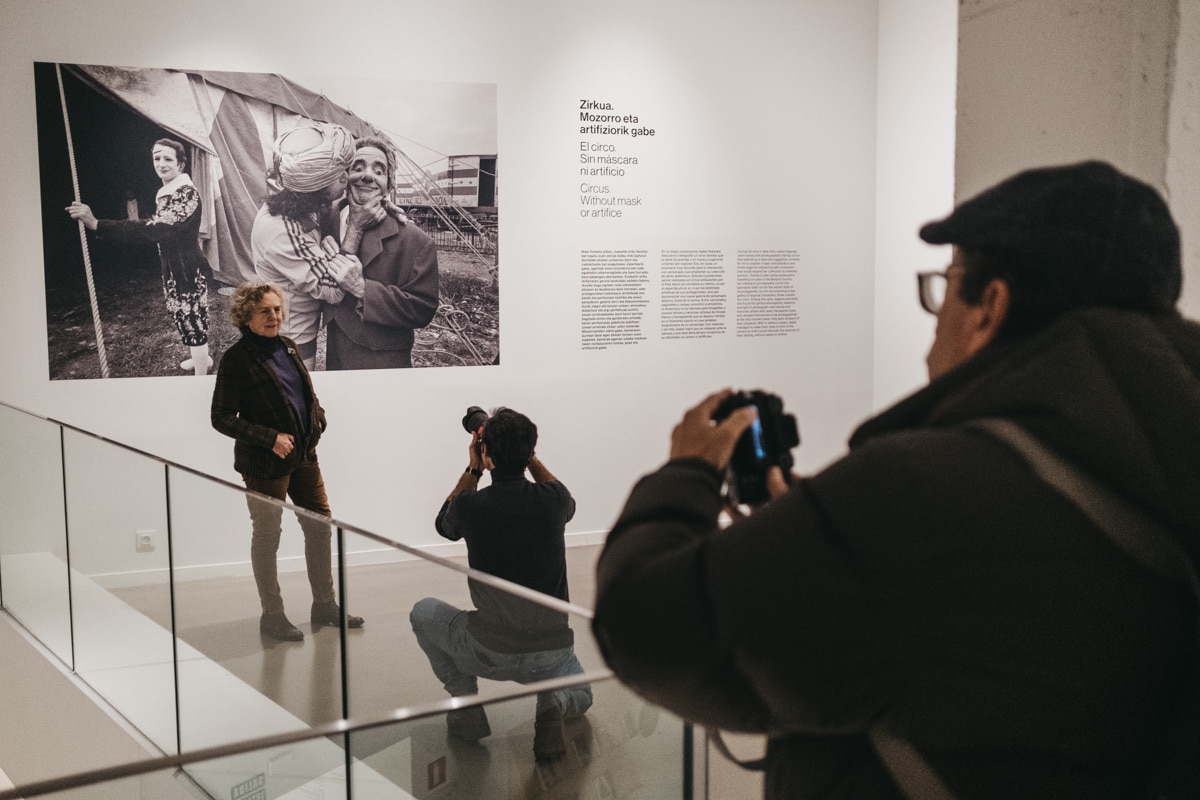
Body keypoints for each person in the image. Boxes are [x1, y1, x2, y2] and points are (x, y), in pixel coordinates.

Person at [592, 161, 1200, 799]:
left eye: (945, 286)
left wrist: (685, 475)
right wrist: (816, 529)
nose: (933, 323)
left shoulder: (921, 495)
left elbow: (645, 623)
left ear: (989, 308)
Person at [410, 408, 592, 760]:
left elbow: (442, 525)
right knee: (582, 696)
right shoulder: (554, 501)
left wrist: (474, 468)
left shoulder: (470, 506)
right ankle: (553, 701)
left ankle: (466, 707)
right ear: (529, 453)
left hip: (489, 650)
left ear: (487, 454)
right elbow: (563, 495)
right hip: (549, 652)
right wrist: (528, 457)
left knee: (424, 612)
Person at [211, 281, 364, 642]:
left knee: (320, 527)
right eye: (265, 311)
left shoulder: (289, 347)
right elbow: (221, 417)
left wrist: (318, 415)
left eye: (277, 309)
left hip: (304, 457)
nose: (274, 316)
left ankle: (324, 605)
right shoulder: (236, 360)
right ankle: (273, 614)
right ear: (245, 315)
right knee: (268, 536)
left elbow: (304, 392)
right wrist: (270, 439)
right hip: (265, 465)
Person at [66, 138, 212, 375]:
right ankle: (200, 359)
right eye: (157, 158)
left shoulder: (186, 193)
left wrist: (98, 225)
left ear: (181, 164)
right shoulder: (166, 191)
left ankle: (201, 374)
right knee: (180, 313)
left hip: (188, 268)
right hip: (173, 266)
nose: (161, 164)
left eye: (168, 159)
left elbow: (154, 229)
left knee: (192, 317)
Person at [251, 123, 364, 369]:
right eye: (338, 176)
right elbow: (334, 289)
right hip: (291, 340)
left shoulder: (296, 204)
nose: (347, 178)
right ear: (313, 187)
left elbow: (326, 209)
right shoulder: (283, 230)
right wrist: (355, 228)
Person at [324, 136, 440, 369]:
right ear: (345, 176)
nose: (367, 175)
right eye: (358, 167)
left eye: (379, 170)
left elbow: (423, 309)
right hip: (335, 350)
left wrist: (363, 289)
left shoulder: (416, 241)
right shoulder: (329, 219)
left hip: (382, 361)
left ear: (389, 184)